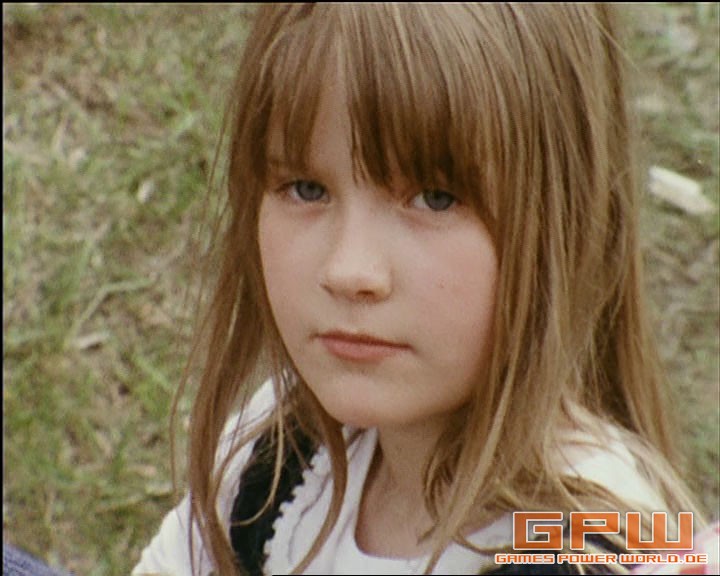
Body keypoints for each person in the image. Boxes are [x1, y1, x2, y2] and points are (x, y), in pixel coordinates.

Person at [133, 4, 707, 575]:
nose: (349, 270)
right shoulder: (285, 449)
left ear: (567, 220)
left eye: (435, 199)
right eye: (306, 189)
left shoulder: (592, 550)